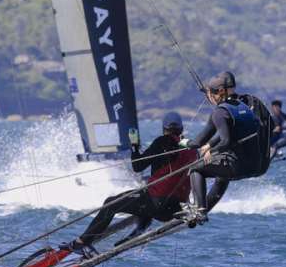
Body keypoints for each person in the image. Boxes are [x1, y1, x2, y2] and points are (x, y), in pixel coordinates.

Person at [67, 111, 200, 252]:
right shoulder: (192, 150)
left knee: (110, 203)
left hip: (157, 205)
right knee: (143, 197)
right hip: (175, 210)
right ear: (181, 129)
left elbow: (137, 167)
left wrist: (135, 146)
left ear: (164, 128)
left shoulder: (161, 142)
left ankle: (82, 242)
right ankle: (139, 229)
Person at [188, 71, 269, 214]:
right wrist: (211, 145)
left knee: (195, 168)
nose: (209, 97)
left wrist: (186, 143)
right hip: (256, 166)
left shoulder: (219, 112)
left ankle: (199, 209)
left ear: (219, 92)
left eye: (210, 94)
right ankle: (203, 210)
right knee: (221, 175)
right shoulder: (244, 107)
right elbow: (233, 132)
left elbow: (204, 141)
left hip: (237, 166)